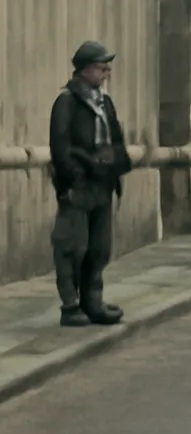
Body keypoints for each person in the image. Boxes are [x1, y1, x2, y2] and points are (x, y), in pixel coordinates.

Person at [48, 41, 133, 327]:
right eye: (101, 68)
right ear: (84, 70)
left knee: (99, 248)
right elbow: (60, 148)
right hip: (79, 185)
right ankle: (70, 304)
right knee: (72, 246)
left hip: (103, 185)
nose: (106, 73)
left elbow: (117, 139)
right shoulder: (67, 102)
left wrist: (116, 164)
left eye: (107, 68)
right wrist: (76, 174)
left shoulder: (104, 102)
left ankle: (92, 301)